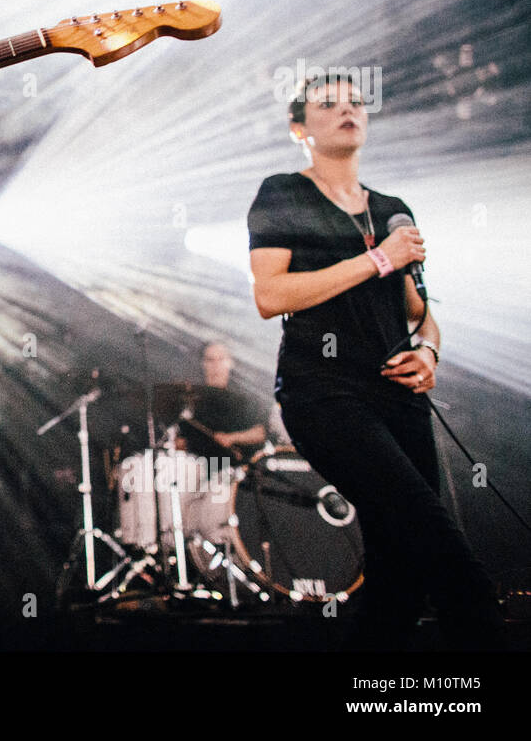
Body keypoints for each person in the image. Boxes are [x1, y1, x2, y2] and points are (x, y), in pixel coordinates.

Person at [247, 73, 503, 649]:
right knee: (435, 536)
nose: (348, 111)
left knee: (400, 571)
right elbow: (271, 296)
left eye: (356, 102)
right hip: (325, 390)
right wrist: (378, 262)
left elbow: (420, 309)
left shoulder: (393, 210)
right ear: (299, 129)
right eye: (328, 104)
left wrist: (429, 349)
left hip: (398, 394)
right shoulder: (283, 192)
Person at [177, 341, 267, 460]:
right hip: (198, 466)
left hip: (232, 468)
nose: (216, 365)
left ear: (230, 363)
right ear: (203, 364)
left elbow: (260, 433)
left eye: (221, 359)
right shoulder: (190, 398)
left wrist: (231, 438)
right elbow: (179, 440)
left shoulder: (243, 397)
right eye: (210, 360)